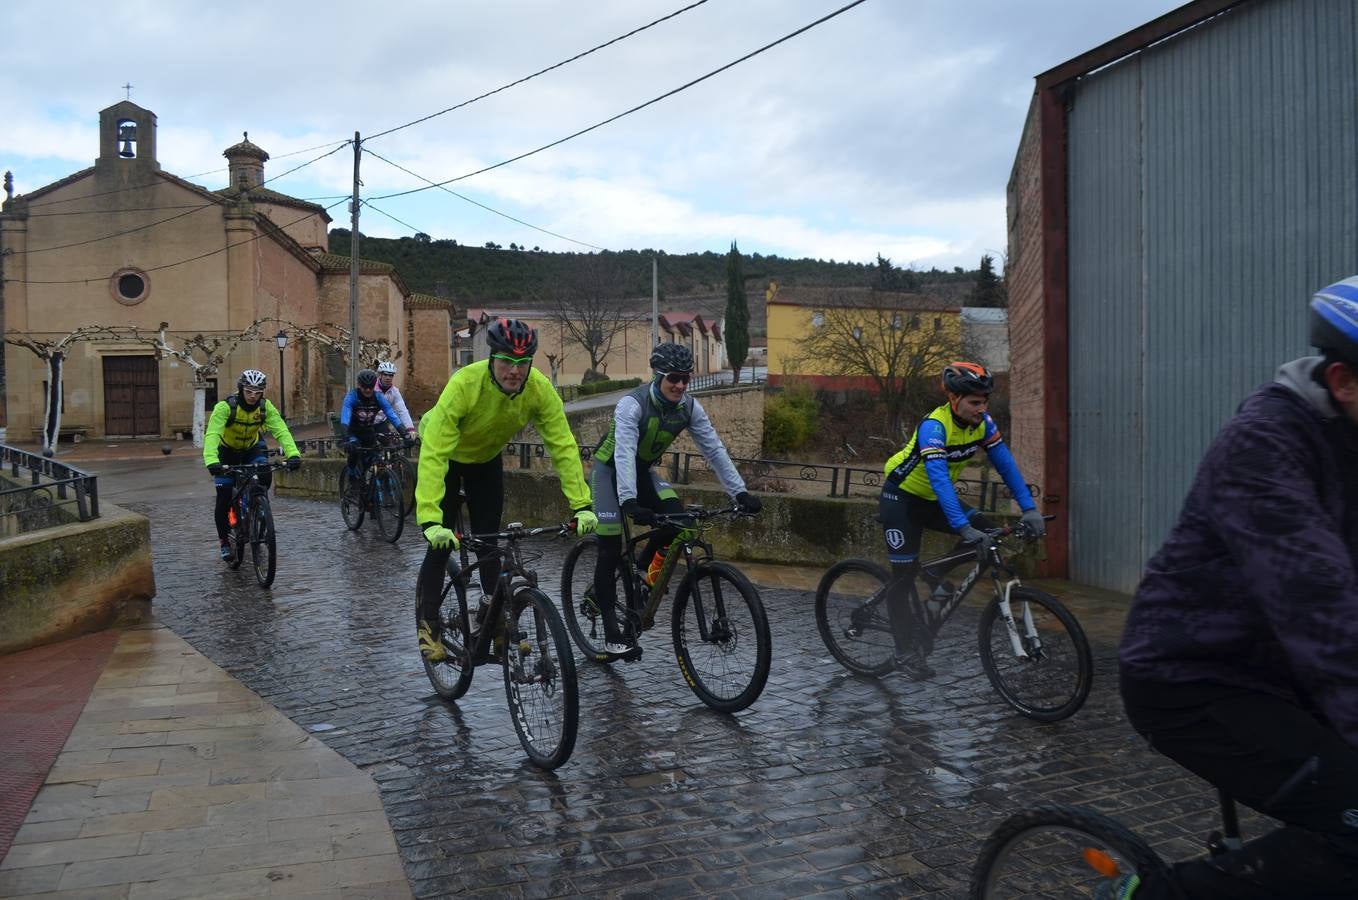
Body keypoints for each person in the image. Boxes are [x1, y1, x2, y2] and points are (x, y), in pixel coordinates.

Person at [1106, 279, 1358, 900]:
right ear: (1345, 382)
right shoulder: (1265, 445)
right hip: (1192, 677)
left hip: (1283, 672)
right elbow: (1322, 612)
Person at [414, 318, 597, 662]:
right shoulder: (464, 383)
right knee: (440, 543)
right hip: (447, 455)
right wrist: (430, 519)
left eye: (522, 363)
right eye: (506, 363)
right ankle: (429, 624)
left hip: (485, 459)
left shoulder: (539, 389)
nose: (514, 371)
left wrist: (582, 505)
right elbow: (434, 454)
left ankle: (493, 621)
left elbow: (562, 445)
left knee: (489, 540)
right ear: (492, 359)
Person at [591, 342, 762, 656]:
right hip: (609, 471)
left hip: (642, 472)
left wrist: (739, 491)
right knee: (609, 548)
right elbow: (624, 452)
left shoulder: (689, 407)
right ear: (658, 375)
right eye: (674, 378)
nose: (681, 385)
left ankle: (641, 577)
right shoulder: (633, 404)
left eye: (686, 378)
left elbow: (714, 449)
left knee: (679, 522)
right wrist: (628, 501)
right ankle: (612, 633)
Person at [878, 362, 1044, 679]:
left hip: (933, 502)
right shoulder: (935, 427)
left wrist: (1029, 508)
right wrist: (961, 526)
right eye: (975, 403)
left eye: (985, 402)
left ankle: (937, 574)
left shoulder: (982, 425)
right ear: (954, 399)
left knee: (986, 530)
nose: (982, 409)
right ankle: (903, 652)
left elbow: (1006, 466)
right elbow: (940, 480)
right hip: (901, 499)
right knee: (902, 578)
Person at [203, 369, 302, 561]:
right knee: (223, 498)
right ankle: (224, 541)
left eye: (257, 393)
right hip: (226, 452)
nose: (253, 397)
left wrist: (293, 454)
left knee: (264, 475)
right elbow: (213, 434)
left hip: (251, 449)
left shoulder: (265, 408)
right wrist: (211, 461)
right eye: (249, 392)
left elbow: (281, 430)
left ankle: (258, 507)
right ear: (241, 389)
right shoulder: (225, 407)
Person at [338, 368, 410, 479]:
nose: (367, 390)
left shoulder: (378, 397)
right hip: (353, 432)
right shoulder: (352, 397)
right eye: (364, 387)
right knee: (354, 453)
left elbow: (392, 415)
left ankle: (372, 484)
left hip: (368, 431)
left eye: (370, 387)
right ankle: (352, 480)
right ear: (359, 385)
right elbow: (345, 418)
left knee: (375, 458)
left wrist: (405, 433)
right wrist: (345, 438)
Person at [373, 360, 418, 442]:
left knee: (391, 445)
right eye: (385, 374)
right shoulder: (371, 387)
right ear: (380, 375)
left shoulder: (394, 392)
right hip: (365, 423)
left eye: (391, 375)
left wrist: (410, 429)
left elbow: (402, 411)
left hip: (380, 423)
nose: (388, 378)